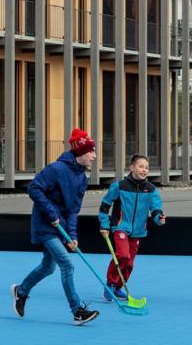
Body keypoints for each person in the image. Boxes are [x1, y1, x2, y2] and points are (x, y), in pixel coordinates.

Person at [11, 128, 100, 326]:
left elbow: (74, 210)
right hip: (45, 225)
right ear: (80, 152)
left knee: (47, 267)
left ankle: (21, 291)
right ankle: (77, 311)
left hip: (61, 227)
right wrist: (51, 214)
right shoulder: (56, 169)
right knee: (67, 265)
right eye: (91, 151)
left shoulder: (82, 179)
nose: (94, 156)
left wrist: (73, 234)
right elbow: (34, 188)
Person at [98, 154, 166, 301]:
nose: (144, 170)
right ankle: (109, 284)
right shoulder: (119, 186)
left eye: (147, 167)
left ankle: (117, 287)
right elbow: (105, 205)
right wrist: (104, 224)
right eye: (141, 166)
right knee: (122, 255)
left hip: (138, 231)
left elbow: (156, 208)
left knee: (129, 263)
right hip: (120, 227)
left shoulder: (151, 189)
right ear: (132, 167)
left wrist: (159, 218)